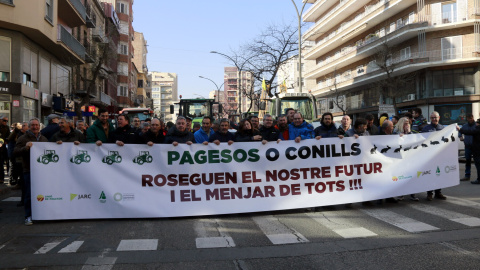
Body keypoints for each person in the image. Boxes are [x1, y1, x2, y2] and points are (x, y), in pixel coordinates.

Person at [14, 118, 48, 226]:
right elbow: (15, 152)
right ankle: (28, 216)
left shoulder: (43, 138)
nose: (35, 127)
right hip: (29, 170)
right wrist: (25, 148)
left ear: (39, 126)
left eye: (37, 125)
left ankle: (42, 215)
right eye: (33, 125)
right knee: (29, 194)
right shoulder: (23, 138)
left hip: (43, 172)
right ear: (29, 126)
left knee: (43, 193)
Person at [421, 111, 447, 200]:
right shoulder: (426, 128)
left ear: (439, 118)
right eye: (432, 118)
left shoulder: (442, 128)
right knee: (430, 174)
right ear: (430, 118)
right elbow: (422, 141)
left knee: (439, 173)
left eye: (435, 117)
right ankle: (429, 193)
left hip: (439, 155)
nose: (434, 119)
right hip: (429, 156)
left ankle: (438, 192)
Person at [459, 114, 476, 181]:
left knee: (477, 162)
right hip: (467, 146)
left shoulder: (476, 125)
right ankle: (467, 175)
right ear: (467, 119)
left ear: (473, 118)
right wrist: (460, 136)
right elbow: (460, 131)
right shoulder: (465, 126)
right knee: (468, 161)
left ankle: (479, 177)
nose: (470, 119)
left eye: (471, 118)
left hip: (475, 146)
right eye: (469, 118)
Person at [0, 115, 10, 184]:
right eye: (4, 120)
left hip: (2, 148)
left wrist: (6, 140)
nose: (5, 122)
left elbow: (8, 137)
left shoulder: (7, 127)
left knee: (1, 163)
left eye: (7, 121)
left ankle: (1, 178)